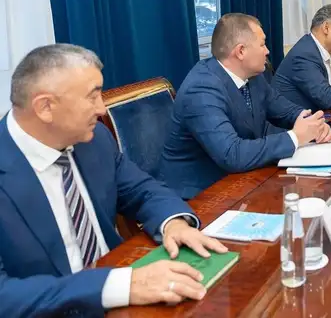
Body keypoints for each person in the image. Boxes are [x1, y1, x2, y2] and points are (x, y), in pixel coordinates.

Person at [0, 44, 229, 315]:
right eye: (92, 96)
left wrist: (173, 223)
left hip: (125, 288)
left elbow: (142, 190)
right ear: (45, 107)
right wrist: (115, 286)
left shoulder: (94, 139)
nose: (102, 108)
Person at [159, 14, 331, 199]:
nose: (267, 51)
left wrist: (313, 125)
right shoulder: (201, 89)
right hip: (200, 195)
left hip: (241, 179)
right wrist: (296, 137)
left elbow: (282, 108)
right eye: (262, 44)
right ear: (241, 51)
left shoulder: (253, 76)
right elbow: (232, 155)